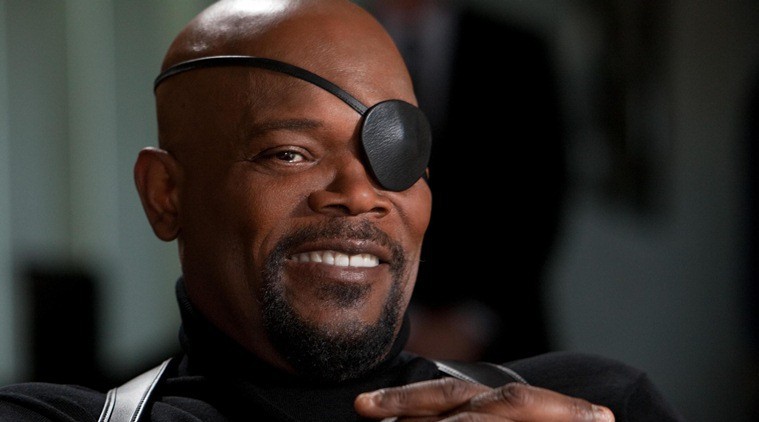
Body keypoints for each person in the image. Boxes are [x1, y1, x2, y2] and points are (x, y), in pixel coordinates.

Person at [0, 0, 683, 420]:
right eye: (289, 154)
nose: (360, 194)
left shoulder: (589, 403)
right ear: (165, 195)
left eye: (397, 154)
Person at [366, 0, 566, 363]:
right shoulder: (335, 41)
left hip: (503, 335)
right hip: (366, 332)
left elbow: (542, 194)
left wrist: (473, 321)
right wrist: (400, 319)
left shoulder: (517, 49)